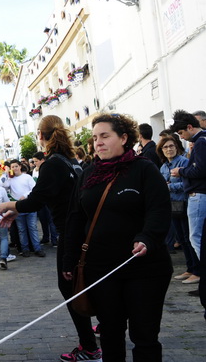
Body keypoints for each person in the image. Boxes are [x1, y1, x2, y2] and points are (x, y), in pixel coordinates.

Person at [63, 113, 172, 362]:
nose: (98, 142)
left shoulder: (144, 169)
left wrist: (147, 237)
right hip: (101, 269)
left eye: (104, 136)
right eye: (94, 138)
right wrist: (69, 258)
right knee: (110, 333)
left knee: (144, 336)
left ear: (124, 138)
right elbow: (75, 219)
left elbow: (158, 209)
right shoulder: (88, 174)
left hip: (144, 268)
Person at [0, 115, 101, 362]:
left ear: (41, 136)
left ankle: (90, 347)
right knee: (84, 284)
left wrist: (7, 205)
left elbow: (36, 199)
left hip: (70, 232)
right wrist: (18, 210)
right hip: (83, 230)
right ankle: (97, 335)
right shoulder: (70, 161)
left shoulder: (52, 163)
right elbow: (44, 196)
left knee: (70, 287)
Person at [169, 109, 206, 301]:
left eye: (181, 133)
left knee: (196, 237)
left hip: (198, 195)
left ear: (190, 127)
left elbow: (200, 170)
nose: (182, 137)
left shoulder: (200, 142)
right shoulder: (201, 141)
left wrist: (181, 171)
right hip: (198, 195)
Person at [157, 135, 198, 283]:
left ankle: (197, 271)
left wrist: (170, 187)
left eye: (171, 146)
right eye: (165, 147)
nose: (169, 149)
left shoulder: (184, 162)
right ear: (161, 150)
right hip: (172, 206)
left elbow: (188, 184)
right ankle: (190, 268)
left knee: (189, 238)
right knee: (181, 238)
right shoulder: (163, 167)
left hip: (185, 203)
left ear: (177, 147)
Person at [1, 159, 44, 257]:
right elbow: (3, 185)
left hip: (29, 205)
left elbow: (34, 188)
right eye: (12, 167)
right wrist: (6, 173)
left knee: (32, 228)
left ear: (20, 166)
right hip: (18, 207)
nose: (15, 168)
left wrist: (25, 195)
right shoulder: (10, 180)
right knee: (21, 230)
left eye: (16, 166)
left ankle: (37, 248)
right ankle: (25, 249)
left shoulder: (27, 177)